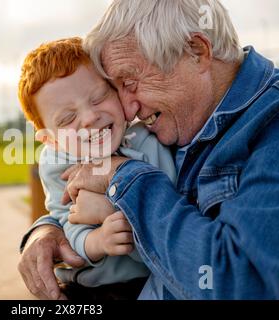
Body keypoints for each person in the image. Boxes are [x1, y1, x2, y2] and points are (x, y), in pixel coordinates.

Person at [18, 0, 279, 300]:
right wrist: (48, 230)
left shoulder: (273, 125)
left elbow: (245, 282)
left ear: (196, 51)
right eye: (116, 88)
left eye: (130, 82)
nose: (128, 110)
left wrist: (123, 178)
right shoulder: (187, 121)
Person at [17, 37, 176, 299]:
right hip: (89, 287)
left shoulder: (149, 141)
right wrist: (98, 241)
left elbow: (170, 214)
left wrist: (111, 212)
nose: (90, 118)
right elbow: (67, 226)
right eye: (68, 118)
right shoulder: (57, 165)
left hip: (151, 280)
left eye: (99, 97)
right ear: (51, 139)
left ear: (117, 91)